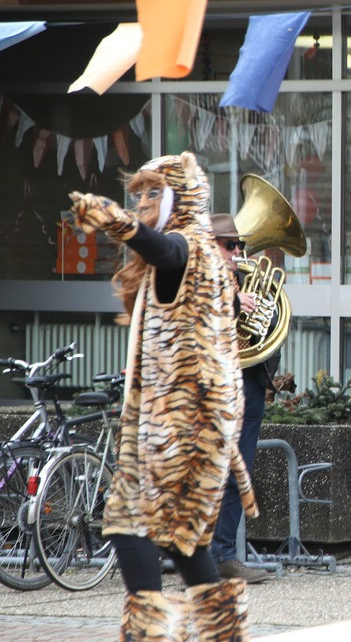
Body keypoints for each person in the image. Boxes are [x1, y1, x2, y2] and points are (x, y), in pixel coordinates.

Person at [69, 152, 252, 640]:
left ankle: (147, 636)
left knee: (129, 521)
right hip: (197, 422)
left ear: (181, 197)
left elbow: (164, 249)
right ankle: (223, 634)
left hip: (179, 423)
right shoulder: (210, 255)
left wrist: (117, 221)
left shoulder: (187, 246)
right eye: (139, 195)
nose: (145, 203)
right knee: (183, 540)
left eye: (155, 193)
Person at [208, 213, 279, 585]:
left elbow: (271, 332)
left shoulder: (247, 280)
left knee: (239, 474)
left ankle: (223, 555)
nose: (237, 251)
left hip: (249, 388)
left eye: (239, 245)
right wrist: (235, 302)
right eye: (228, 245)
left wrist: (265, 312)